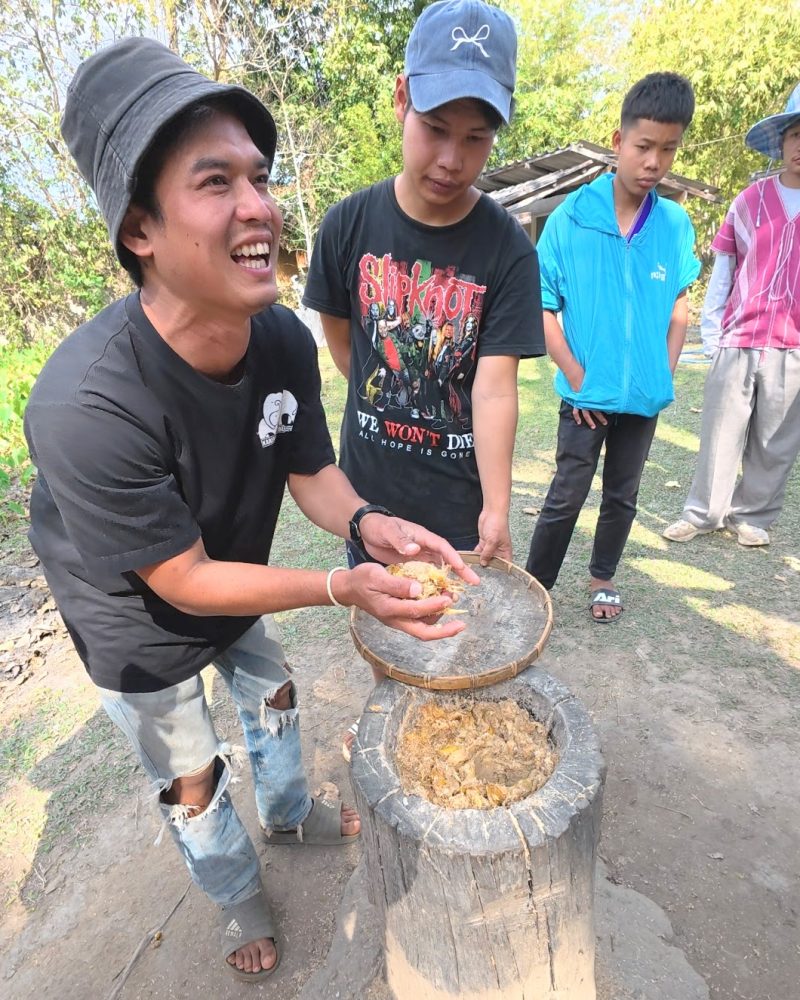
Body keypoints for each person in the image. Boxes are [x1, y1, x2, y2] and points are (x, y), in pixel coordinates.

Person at [23, 38, 479, 983]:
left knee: (272, 693)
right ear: (140, 230)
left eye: (260, 178)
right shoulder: (84, 405)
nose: (259, 205)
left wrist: (368, 527)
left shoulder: (276, 335)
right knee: (191, 775)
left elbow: (313, 470)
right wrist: (337, 586)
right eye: (215, 181)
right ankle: (237, 897)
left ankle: (288, 812)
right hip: (135, 617)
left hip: (233, 568)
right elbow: (180, 580)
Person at [303, 0, 544, 570]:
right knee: (386, 647)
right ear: (400, 99)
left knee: (455, 644)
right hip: (370, 501)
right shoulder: (346, 225)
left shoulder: (508, 248)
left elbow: (493, 388)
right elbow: (348, 344)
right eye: (435, 129)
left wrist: (497, 507)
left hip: (459, 506)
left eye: (475, 138)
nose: (451, 160)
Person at [524, 72, 701, 622]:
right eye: (645, 146)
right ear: (619, 141)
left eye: (668, 149)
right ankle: (535, 588)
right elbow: (545, 307)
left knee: (622, 495)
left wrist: (662, 375)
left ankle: (603, 579)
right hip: (584, 398)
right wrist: (576, 377)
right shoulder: (570, 221)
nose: (655, 162)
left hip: (642, 400)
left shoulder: (673, 224)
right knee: (565, 495)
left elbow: (678, 307)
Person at [663, 84, 800, 548]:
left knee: (776, 440)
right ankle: (702, 514)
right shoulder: (750, 201)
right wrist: (713, 335)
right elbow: (723, 270)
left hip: (794, 346)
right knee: (721, 431)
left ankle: (753, 515)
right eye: (796, 134)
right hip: (739, 337)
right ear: (781, 141)